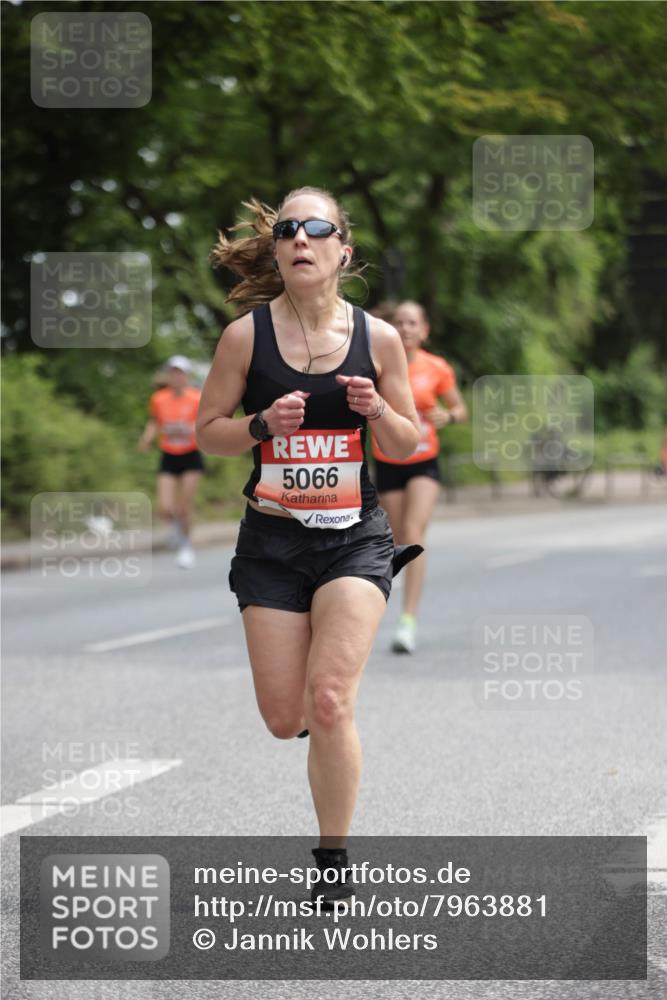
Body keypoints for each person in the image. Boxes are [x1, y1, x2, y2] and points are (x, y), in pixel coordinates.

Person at [197, 187, 422, 908]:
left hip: (353, 539)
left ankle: (332, 858)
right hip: (270, 543)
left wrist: (376, 408)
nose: (299, 237)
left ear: (341, 252)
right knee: (284, 717)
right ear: (277, 250)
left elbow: (407, 442)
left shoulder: (378, 339)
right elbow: (208, 432)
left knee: (328, 701)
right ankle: (314, 732)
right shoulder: (245, 338)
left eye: (315, 228)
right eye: (287, 228)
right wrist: (261, 425)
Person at [372, 301, 467, 654]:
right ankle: (393, 601)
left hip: (424, 460)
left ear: (424, 330)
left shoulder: (436, 367)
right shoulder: (377, 365)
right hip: (387, 459)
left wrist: (449, 416)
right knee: (398, 540)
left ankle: (408, 621)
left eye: (413, 323)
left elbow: (459, 408)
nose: (406, 328)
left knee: (413, 531)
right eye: (400, 322)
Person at [138, 355, 205, 569]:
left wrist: (194, 430)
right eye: (172, 373)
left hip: (191, 455)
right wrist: (146, 438)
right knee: (165, 507)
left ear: (187, 376)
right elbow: (154, 422)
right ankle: (176, 528)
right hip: (168, 455)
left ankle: (186, 547)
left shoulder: (197, 398)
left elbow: (206, 423)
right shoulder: (159, 398)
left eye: (180, 373)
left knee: (183, 507)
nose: (176, 377)